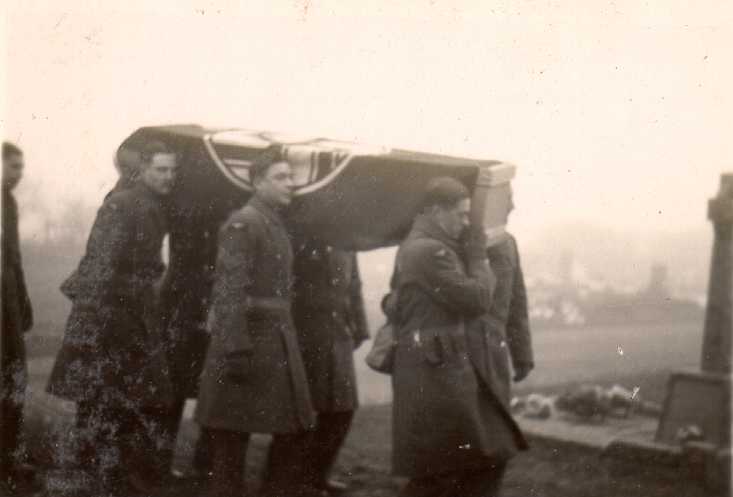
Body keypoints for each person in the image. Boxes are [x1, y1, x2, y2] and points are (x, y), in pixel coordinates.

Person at [46, 140, 179, 496]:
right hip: (112, 321)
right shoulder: (122, 205)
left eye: (172, 170)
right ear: (143, 170)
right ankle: (95, 480)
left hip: (134, 315)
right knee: (102, 403)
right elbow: (98, 265)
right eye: (161, 170)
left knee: (123, 405)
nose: (169, 177)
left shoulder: (151, 205)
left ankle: (112, 479)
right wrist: (94, 327)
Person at [385, 176, 527, 497]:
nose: (467, 223)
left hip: (445, 362)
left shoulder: (434, 245)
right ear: (437, 211)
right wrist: (478, 256)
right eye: (461, 215)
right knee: (442, 466)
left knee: (461, 460)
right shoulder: (430, 249)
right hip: (437, 366)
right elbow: (477, 300)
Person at [194, 145, 316, 497]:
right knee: (231, 436)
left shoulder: (272, 222)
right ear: (257, 182)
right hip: (249, 341)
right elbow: (229, 289)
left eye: (291, 177)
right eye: (280, 178)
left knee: (290, 428)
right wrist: (235, 347)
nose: (290, 184)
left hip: (272, 338)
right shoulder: (244, 222)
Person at [464, 187, 534, 495]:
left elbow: (516, 302)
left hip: (497, 354)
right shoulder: (460, 241)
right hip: (465, 356)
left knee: (498, 441)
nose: (513, 207)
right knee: (468, 442)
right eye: (507, 201)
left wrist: (522, 353)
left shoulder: (509, 243)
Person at [291, 238, 370, 494]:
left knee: (342, 410)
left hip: (339, 334)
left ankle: (317, 475)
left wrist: (360, 326)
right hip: (305, 335)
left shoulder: (345, 239)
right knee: (305, 410)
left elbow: (354, 285)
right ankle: (296, 480)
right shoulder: (297, 236)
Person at [1, 142, 38, 495]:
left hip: (8, 310)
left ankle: (8, 458)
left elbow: (14, 258)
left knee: (13, 381)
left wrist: (23, 302)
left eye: (21, 167)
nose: (19, 174)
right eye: (13, 167)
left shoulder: (8, 203)